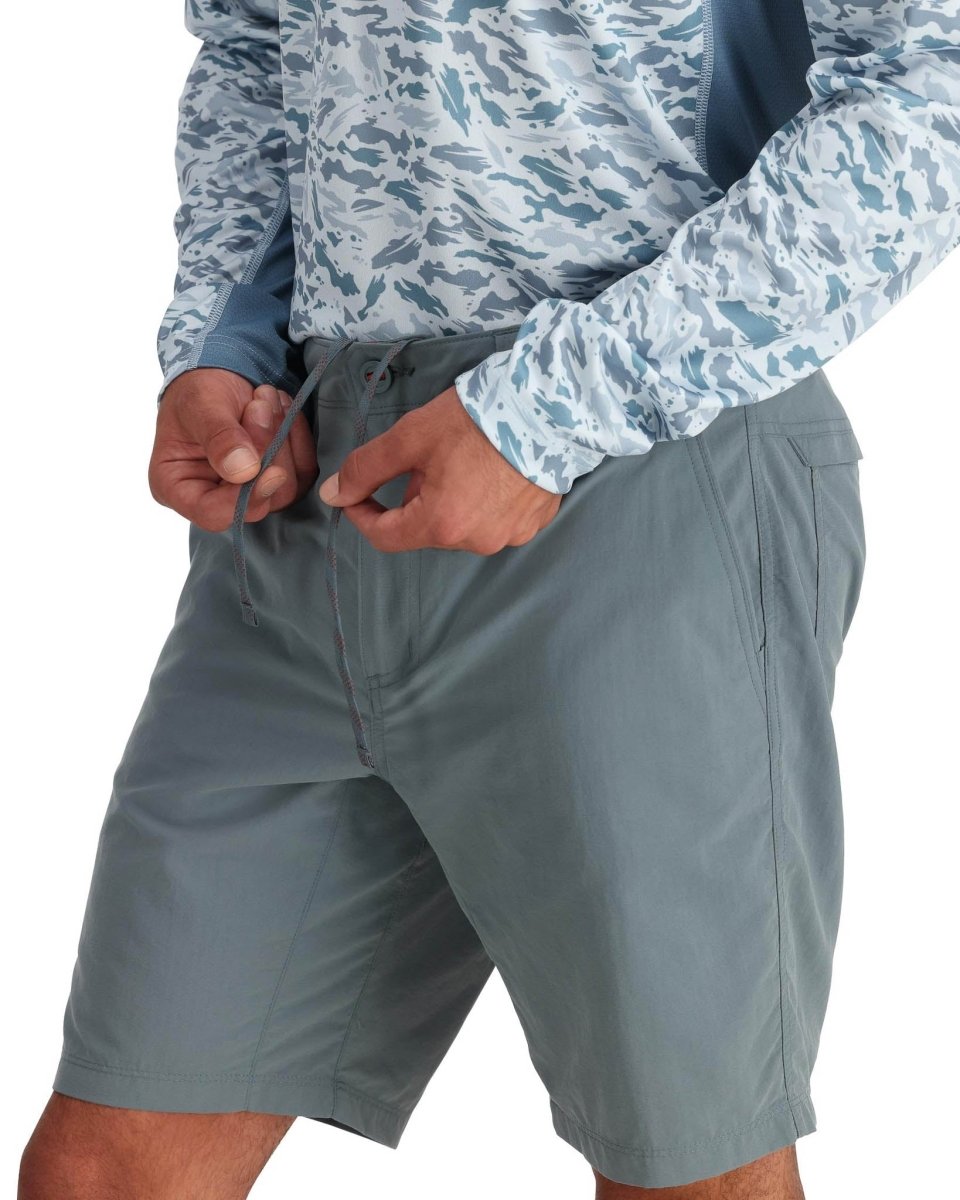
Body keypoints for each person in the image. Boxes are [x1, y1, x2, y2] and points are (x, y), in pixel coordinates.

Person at [18, 0, 959, 1196]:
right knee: (104, 1167)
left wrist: (549, 411)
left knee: (684, 1166)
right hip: (308, 489)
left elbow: (930, 91)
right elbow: (256, 45)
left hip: (638, 467)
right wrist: (224, 342)